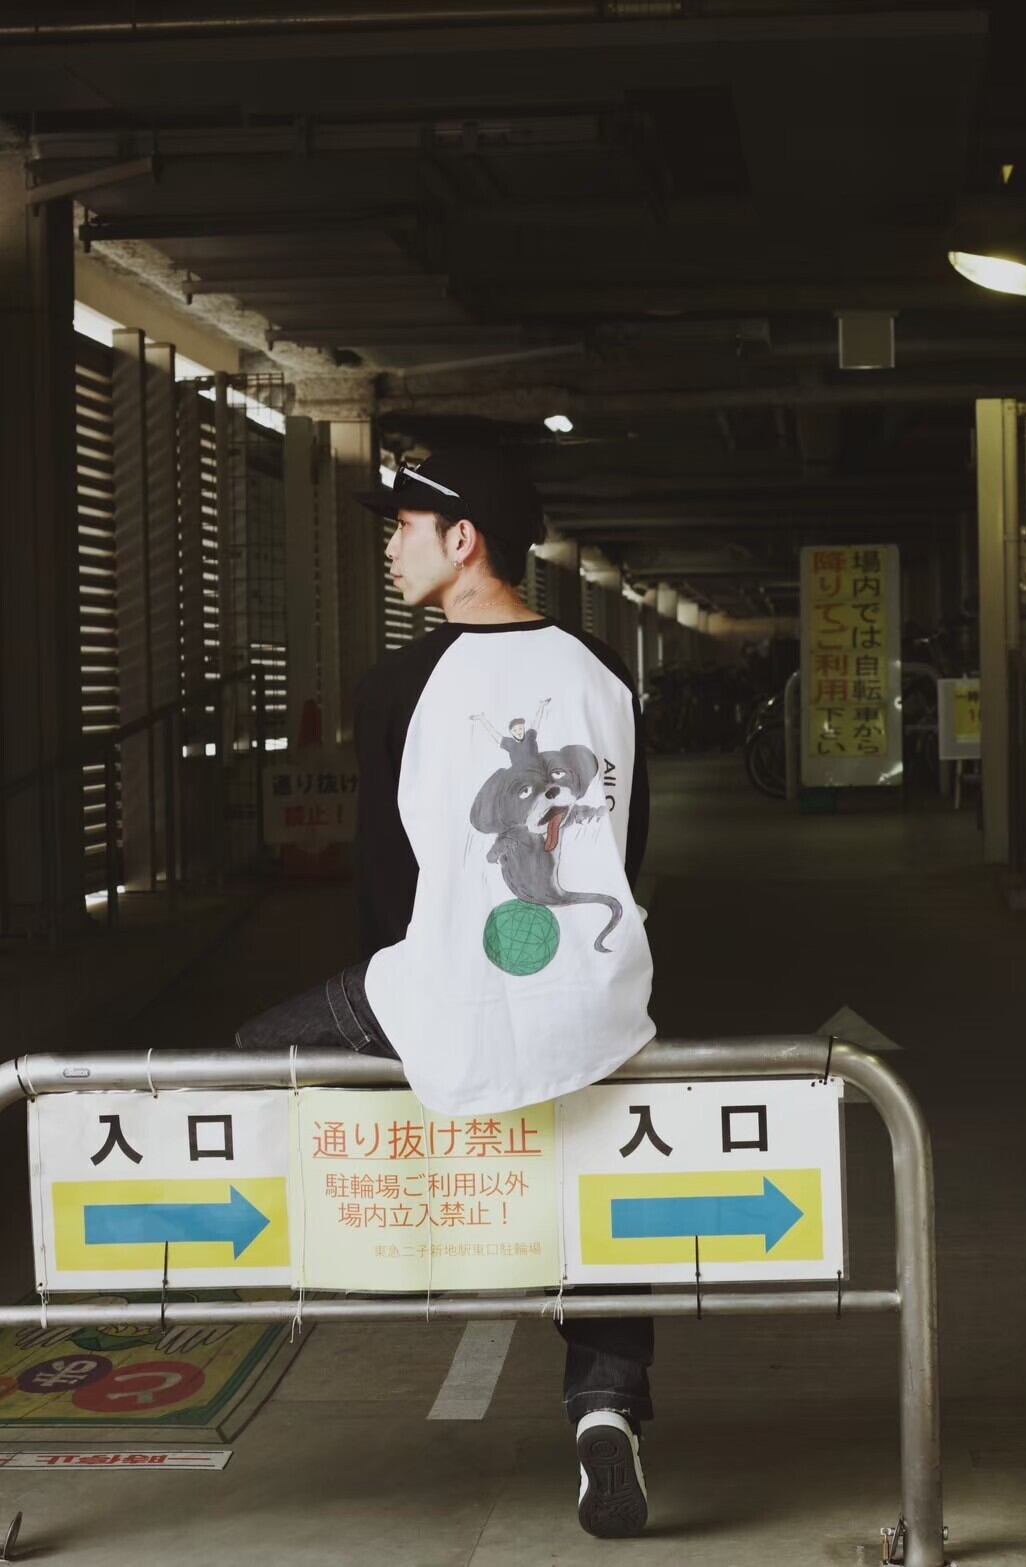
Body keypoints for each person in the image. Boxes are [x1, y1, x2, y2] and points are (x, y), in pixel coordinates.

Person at [237, 448, 656, 1538]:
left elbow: (389, 891)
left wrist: (425, 1021)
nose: (390, 546)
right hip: (593, 987)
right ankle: (604, 1405)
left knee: (249, 1061)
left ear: (461, 540)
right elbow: (626, 845)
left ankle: (348, 1259)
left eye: (404, 525)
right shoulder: (601, 667)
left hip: (452, 986)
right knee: (595, 1165)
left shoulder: (398, 685)